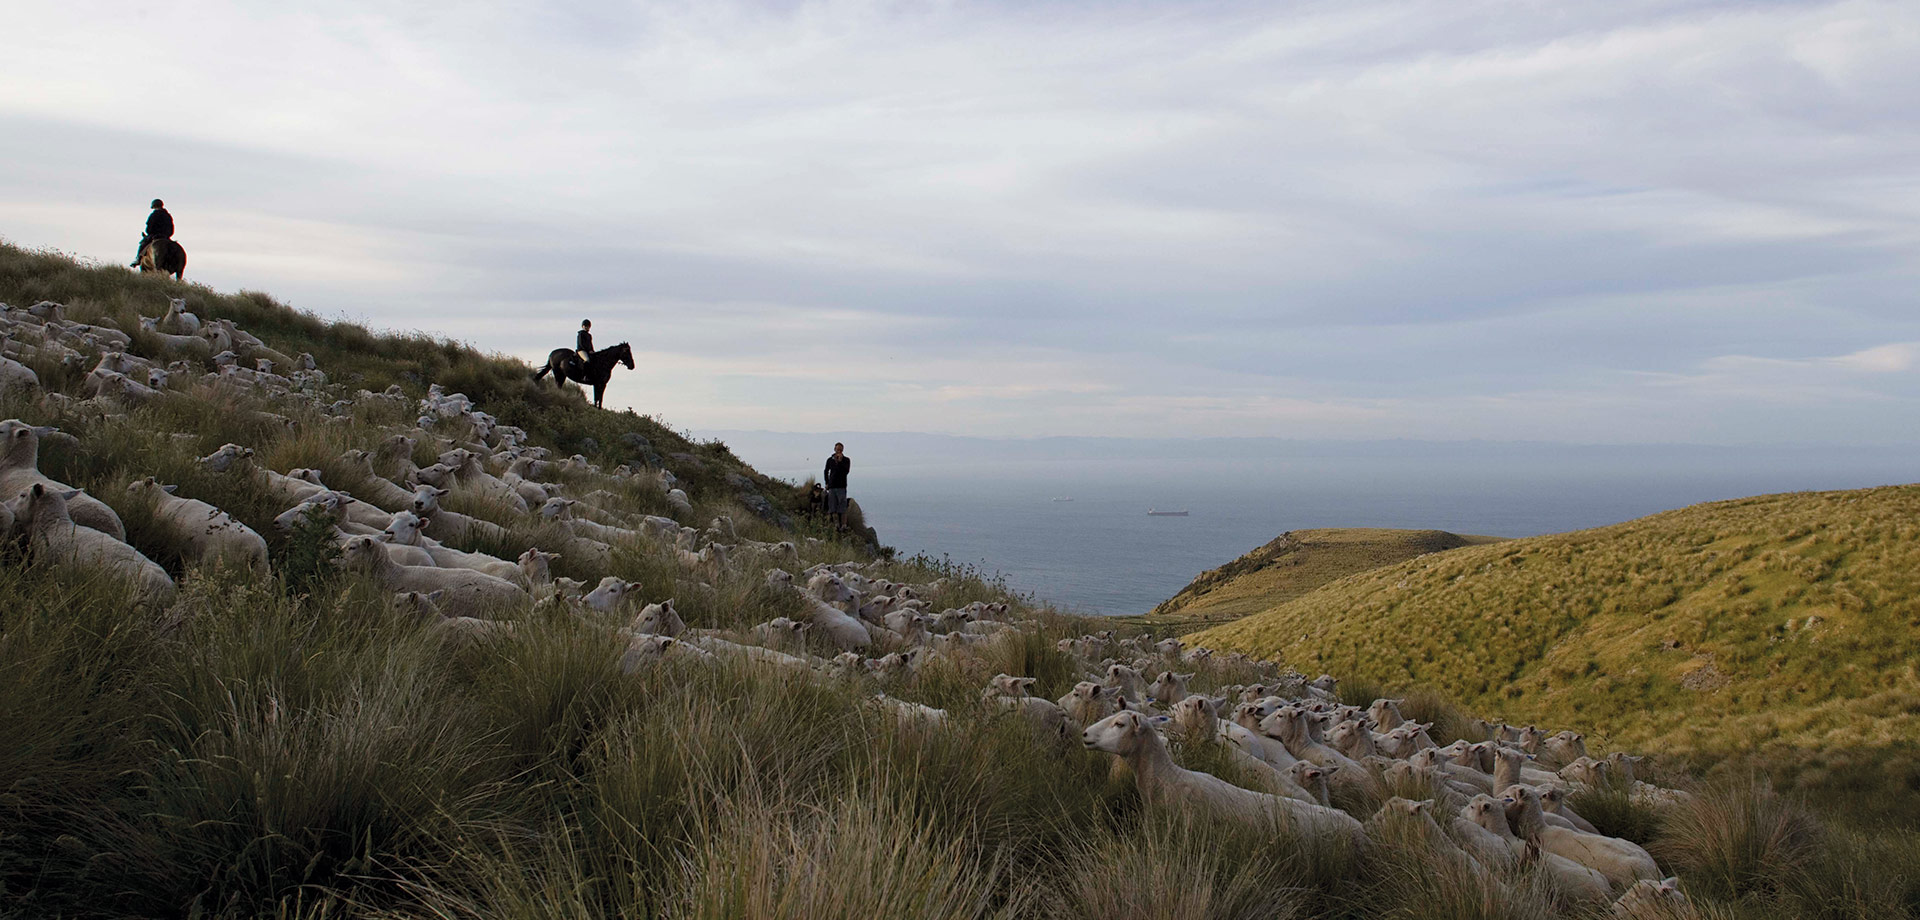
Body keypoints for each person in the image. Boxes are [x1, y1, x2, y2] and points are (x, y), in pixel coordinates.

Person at [132, 198, 173, 267]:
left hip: (154, 236)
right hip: (166, 236)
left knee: (142, 244)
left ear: (154, 206)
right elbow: (171, 228)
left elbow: (149, 229)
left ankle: (138, 259)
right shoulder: (168, 215)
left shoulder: (153, 215)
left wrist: (150, 233)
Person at [823, 442, 851, 532]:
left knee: (842, 507)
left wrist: (840, 462)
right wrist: (827, 482)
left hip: (841, 486)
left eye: (840, 449)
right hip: (832, 486)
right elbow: (826, 471)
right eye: (837, 449)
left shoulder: (846, 460)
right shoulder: (830, 460)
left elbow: (846, 471)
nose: (838, 451)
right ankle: (836, 524)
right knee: (833, 506)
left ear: (842, 450)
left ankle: (843, 525)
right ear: (834, 449)